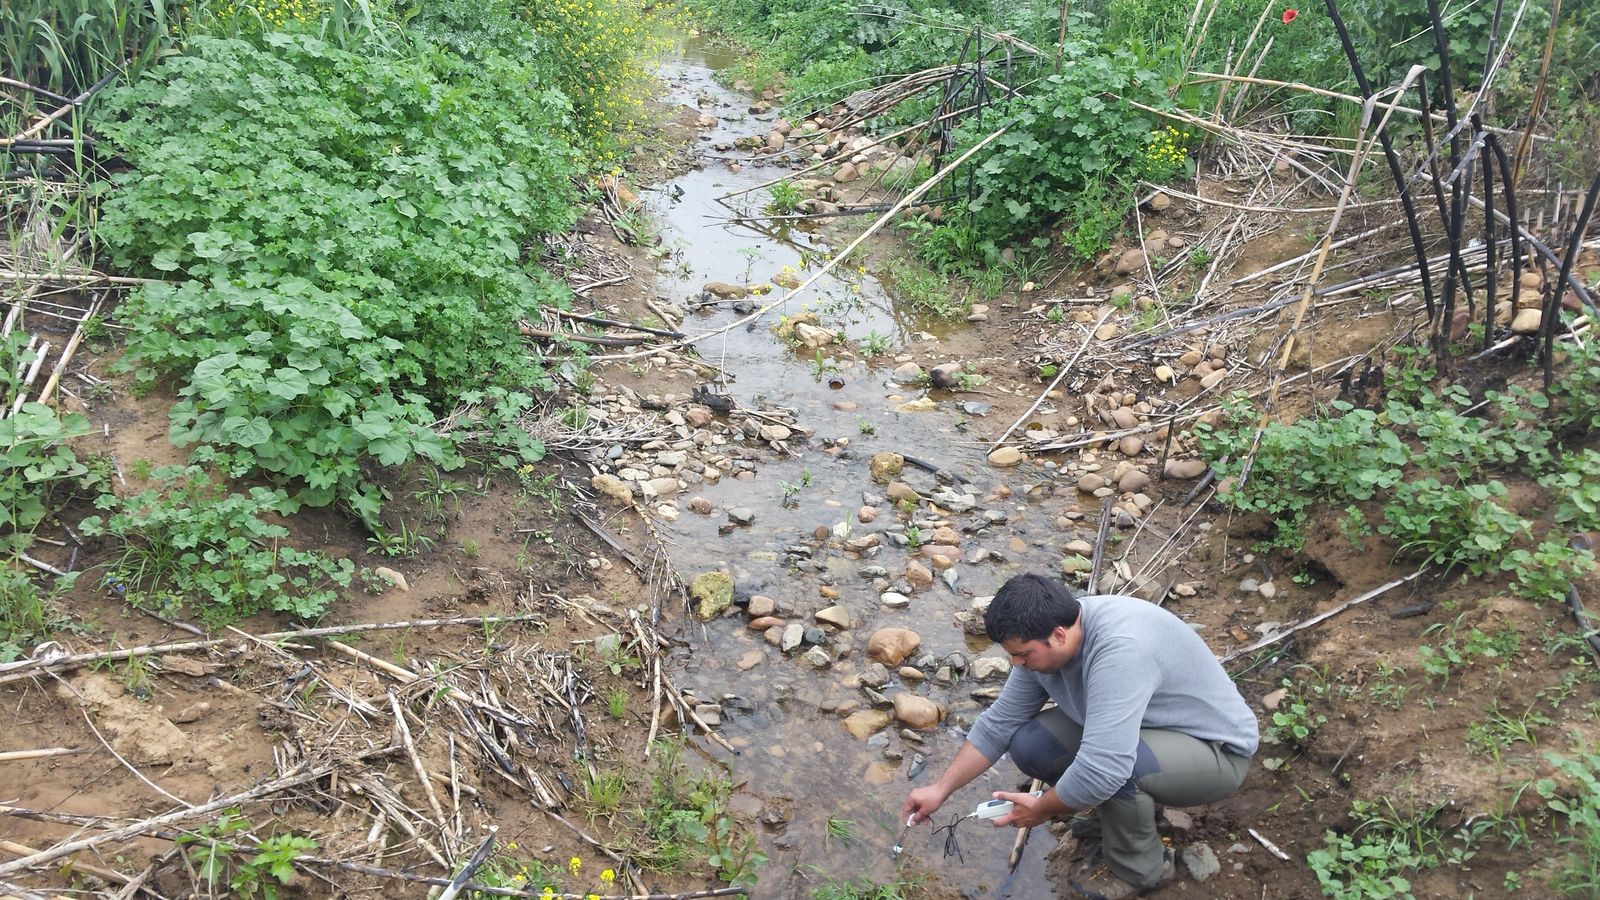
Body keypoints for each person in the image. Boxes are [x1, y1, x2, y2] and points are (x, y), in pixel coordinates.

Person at [902, 573, 1259, 899]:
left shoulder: (1120, 650)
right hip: (1150, 727)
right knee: (1033, 745)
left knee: (1116, 771)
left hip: (1214, 751)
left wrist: (1042, 808)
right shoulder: (1046, 634)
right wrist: (940, 789)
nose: (1017, 664)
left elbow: (1105, 766)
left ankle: (1142, 869)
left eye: (1023, 655)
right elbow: (1000, 723)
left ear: (1059, 635)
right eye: (1012, 655)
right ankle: (1121, 812)